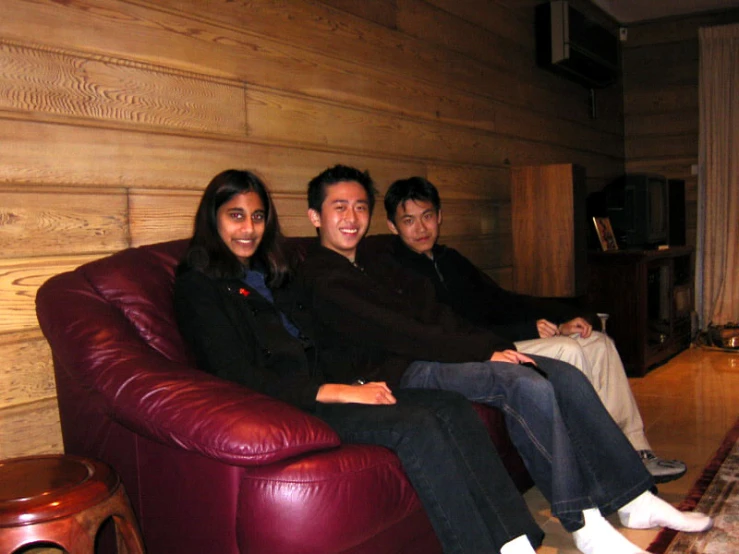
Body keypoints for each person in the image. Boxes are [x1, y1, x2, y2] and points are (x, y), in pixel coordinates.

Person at [295, 164, 713, 554]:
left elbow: (438, 315)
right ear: (315, 216)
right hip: (396, 374)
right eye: (339, 207)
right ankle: (583, 522)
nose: (351, 217)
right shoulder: (319, 277)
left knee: (561, 373)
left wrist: (494, 344)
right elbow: (401, 333)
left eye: (359, 206)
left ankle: (634, 498)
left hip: (427, 356)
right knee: (522, 384)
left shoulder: (375, 261)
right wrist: (483, 352)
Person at [173, 169, 546, 554]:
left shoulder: (273, 269)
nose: (248, 228)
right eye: (235, 215)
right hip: (288, 404)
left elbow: (324, 339)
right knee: (415, 424)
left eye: (257, 216)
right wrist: (336, 392)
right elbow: (235, 375)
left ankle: (517, 542)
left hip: (336, 385)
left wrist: (357, 383)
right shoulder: (197, 285)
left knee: (450, 406)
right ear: (212, 219)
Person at [381, 176, 687, 484]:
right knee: (567, 349)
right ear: (393, 226)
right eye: (409, 220)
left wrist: (568, 316)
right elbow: (451, 328)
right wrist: (530, 328)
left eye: (428, 216)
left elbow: (502, 300)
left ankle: (634, 451)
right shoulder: (398, 271)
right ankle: (594, 464)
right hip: (471, 351)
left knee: (596, 341)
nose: (421, 228)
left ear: (440, 216)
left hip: (498, 337)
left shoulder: (450, 260)